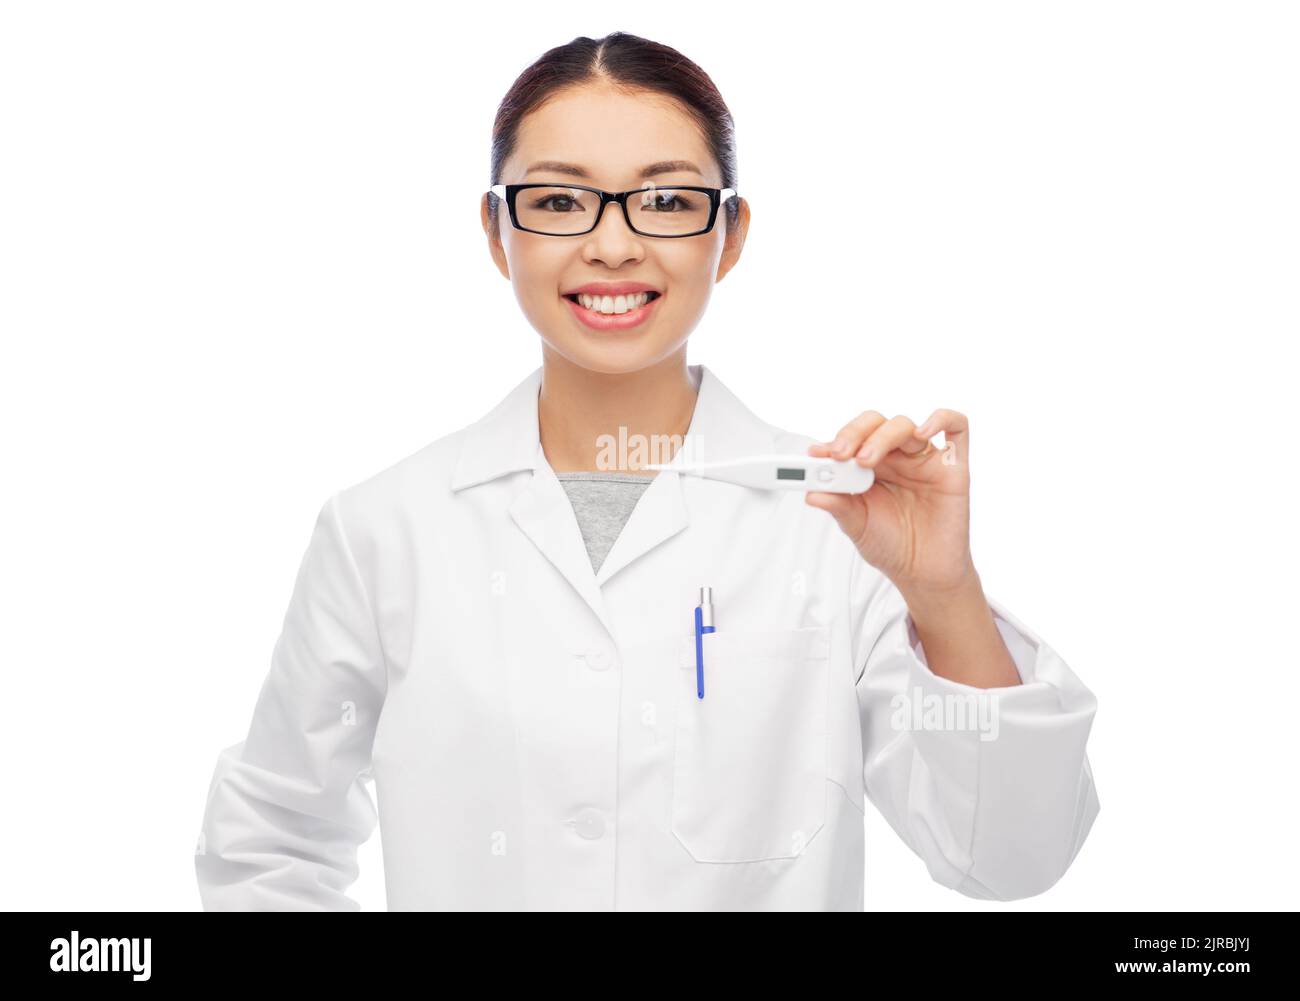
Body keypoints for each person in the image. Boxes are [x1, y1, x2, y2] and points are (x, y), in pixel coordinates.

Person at [195, 31, 1100, 911]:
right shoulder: (384, 531)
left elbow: (1009, 855)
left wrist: (943, 592)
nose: (615, 246)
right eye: (559, 201)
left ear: (731, 232)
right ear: (496, 230)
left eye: (666, 202)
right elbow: (272, 839)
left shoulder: (838, 524)